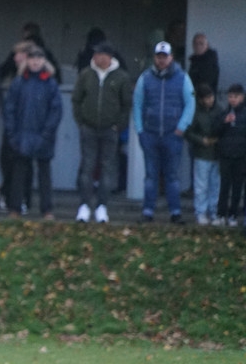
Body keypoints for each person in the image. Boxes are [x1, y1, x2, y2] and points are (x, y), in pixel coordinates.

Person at [132, 41, 195, 224]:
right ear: (155, 58)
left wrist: (181, 127)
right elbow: (137, 104)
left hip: (172, 135)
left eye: (164, 57)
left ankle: (175, 212)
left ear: (171, 57)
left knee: (172, 176)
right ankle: (147, 212)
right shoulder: (145, 78)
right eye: (159, 57)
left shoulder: (183, 78)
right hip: (150, 134)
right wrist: (140, 130)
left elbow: (190, 104)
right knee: (150, 176)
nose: (161, 60)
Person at [72, 41, 132, 224]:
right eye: (95, 54)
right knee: (87, 166)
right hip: (89, 128)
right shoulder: (86, 74)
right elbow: (76, 99)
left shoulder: (121, 77)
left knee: (108, 167)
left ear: (109, 57)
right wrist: (81, 122)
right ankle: (84, 205)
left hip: (110, 129)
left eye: (100, 54)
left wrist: (118, 126)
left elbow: (126, 105)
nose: (96, 57)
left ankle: (102, 206)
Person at [3, 47, 62, 220]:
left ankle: (47, 210)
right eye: (32, 58)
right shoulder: (19, 82)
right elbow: (9, 109)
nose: (35, 62)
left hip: (44, 136)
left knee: (44, 175)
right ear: (27, 61)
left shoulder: (50, 83)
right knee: (19, 174)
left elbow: (56, 111)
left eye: (39, 58)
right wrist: (12, 134)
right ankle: (15, 209)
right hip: (22, 135)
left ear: (44, 61)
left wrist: (47, 134)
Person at [185, 84, 223, 226]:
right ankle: (200, 212)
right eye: (207, 98)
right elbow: (188, 132)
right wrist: (202, 140)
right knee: (201, 186)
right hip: (201, 154)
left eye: (211, 96)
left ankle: (214, 212)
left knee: (215, 185)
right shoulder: (194, 112)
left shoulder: (219, 110)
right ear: (201, 100)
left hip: (217, 154)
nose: (210, 100)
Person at [215, 83, 246, 227]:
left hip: (241, 157)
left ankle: (233, 215)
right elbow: (215, 131)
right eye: (230, 97)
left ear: (242, 97)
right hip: (226, 155)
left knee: (237, 187)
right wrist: (224, 122)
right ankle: (221, 214)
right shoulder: (223, 114)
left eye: (236, 97)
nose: (233, 99)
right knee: (224, 186)